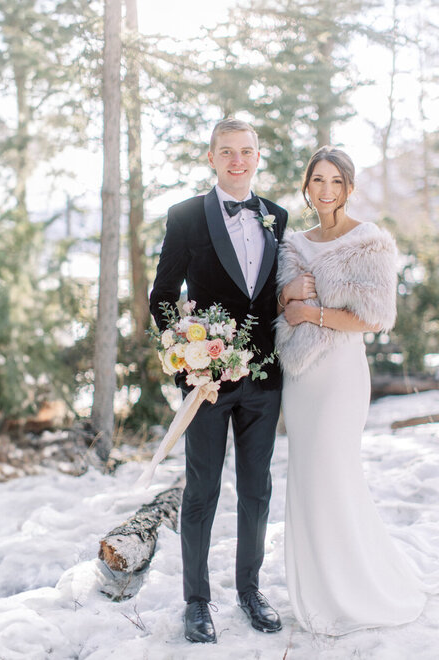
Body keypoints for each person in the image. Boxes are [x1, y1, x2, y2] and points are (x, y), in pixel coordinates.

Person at [274, 146, 433, 635]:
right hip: (300, 378)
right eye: (317, 181)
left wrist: (313, 313)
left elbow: (377, 316)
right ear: (307, 186)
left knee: (336, 471)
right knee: (306, 473)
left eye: (335, 182)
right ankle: (318, 585)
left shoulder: (368, 243)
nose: (325, 190)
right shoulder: (294, 244)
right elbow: (278, 306)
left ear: (349, 187)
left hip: (341, 376)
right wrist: (289, 296)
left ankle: (356, 588)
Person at [148, 118, 288, 644]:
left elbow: (274, 295)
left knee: (258, 489)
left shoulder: (276, 215)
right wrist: (186, 356)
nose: (237, 161)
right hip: (206, 383)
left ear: (258, 155)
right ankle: (197, 601)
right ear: (211, 157)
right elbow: (162, 295)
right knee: (203, 489)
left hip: (265, 379)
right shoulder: (185, 216)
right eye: (226, 151)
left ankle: (251, 590)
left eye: (246, 151)